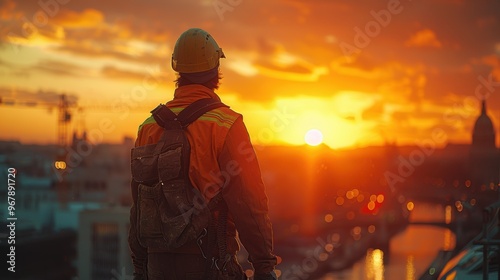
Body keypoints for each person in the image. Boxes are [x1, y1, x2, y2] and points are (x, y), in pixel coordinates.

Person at [128, 28, 278, 280]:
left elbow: (139, 205)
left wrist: (140, 267)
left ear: (178, 71)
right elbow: (249, 203)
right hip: (210, 264)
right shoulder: (226, 125)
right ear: (216, 71)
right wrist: (264, 266)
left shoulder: (148, 127)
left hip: (157, 266)